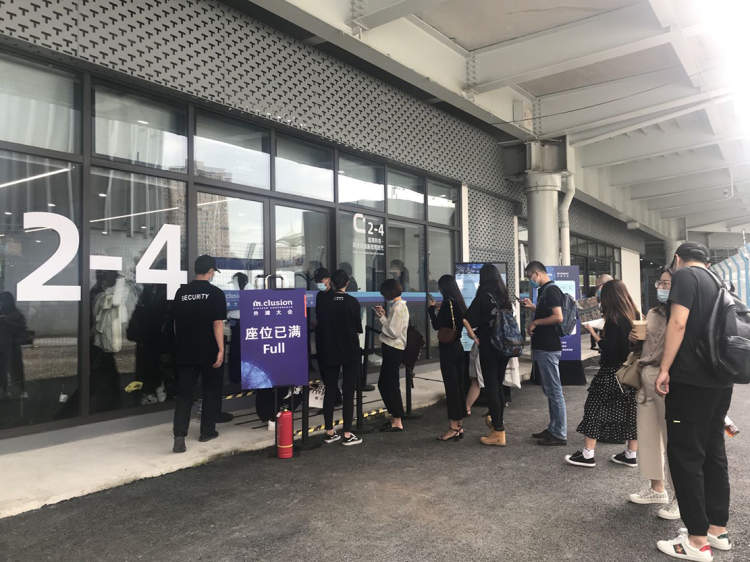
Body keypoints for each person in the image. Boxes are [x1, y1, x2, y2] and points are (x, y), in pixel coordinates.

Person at [655, 242, 734, 560]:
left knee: (685, 454)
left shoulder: (686, 276)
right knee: (713, 451)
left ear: (677, 259)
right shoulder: (718, 281)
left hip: (690, 381)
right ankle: (717, 529)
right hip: (720, 379)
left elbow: (678, 322)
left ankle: (696, 540)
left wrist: (664, 368)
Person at [566, 280, 639, 468]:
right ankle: (631, 454)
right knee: (631, 413)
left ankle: (587, 454)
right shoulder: (635, 315)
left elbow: (610, 349)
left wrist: (594, 333)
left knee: (594, 409)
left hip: (611, 372)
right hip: (631, 372)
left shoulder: (614, 319)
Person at [627, 268, 680, 521]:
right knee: (647, 434)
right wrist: (634, 339)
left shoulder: (682, 313)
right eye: (661, 282)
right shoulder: (652, 312)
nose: (662, 287)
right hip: (646, 374)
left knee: (674, 439)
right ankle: (656, 488)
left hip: (669, 378)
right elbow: (647, 343)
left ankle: (681, 497)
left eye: (668, 283)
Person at [171, 255, 227, 453]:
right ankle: (207, 431)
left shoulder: (181, 292)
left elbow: (175, 322)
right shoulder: (216, 293)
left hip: (185, 350)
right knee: (210, 390)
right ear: (210, 271)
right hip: (208, 350)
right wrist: (221, 349)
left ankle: (179, 436)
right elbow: (218, 323)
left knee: (184, 394)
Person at [464, 264, 513, 446]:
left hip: (489, 345)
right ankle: (496, 422)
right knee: (498, 385)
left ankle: (498, 431)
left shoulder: (483, 296)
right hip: (505, 346)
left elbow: (467, 319)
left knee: (491, 386)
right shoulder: (504, 296)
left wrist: (473, 335)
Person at [522, 261, 567, 446]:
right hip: (544, 346)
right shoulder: (545, 291)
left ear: (537, 274)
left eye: (529, 276)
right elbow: (548, 311)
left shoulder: (551, 290)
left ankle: (559, 433)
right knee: (550, 390)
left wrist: (536, 322)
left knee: (554, 391)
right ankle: (553, 428)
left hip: (548, 347)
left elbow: (558, 316)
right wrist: (534, 308)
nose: (530, 280)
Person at [317, 269, 363, 446]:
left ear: (332, 283)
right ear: (347, 283)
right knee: (348, 391)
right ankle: (347, 434)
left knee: (330, 389)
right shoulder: (352, 302)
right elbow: (358, 328)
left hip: (329, 350)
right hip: (350, 351)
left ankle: (329, 431)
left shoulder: (325, 301)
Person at [428, 275, 467, 441]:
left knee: (451, 388)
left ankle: (453, 427)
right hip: (458, 346)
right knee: (458, 387)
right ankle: (459, 425)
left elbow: (437, 325)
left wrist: (431, 309)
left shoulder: (446, 304)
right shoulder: (459, 303)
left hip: (447, 349)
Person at [374, 279, 409, 432]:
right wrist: (383, 316)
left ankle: (397, 419)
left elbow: (393, 332)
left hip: (393, 348)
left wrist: (382, 320)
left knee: (387, 384)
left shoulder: (397, 307)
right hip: (395, 349)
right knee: (389, 383)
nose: (383, 295)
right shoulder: (399, 306)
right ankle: (396, 417)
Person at [0, 292, 27, 399]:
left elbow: (22, 328)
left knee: (16, 369)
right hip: (3, 347)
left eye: (3, 300)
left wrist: (6, 321)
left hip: (13, 347)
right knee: (2, 370)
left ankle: (21, 391)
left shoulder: (17, 315)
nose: (2, 303)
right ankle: (4, 391)